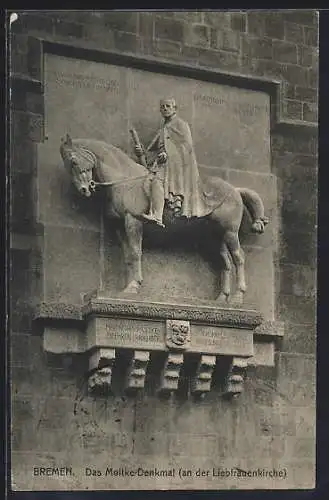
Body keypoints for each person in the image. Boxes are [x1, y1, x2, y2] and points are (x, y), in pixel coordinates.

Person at [135, 98, 208, 227]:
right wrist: (141, 152)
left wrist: (169, 154)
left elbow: (187, 147)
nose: (165, 109)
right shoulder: (163, 129)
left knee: (157, 181)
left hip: (176, 166)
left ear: (175, 108)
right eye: (162, 107)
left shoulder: (181, 125)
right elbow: (153, 152)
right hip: (163, 163)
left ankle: (157, 215)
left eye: (168, 106)